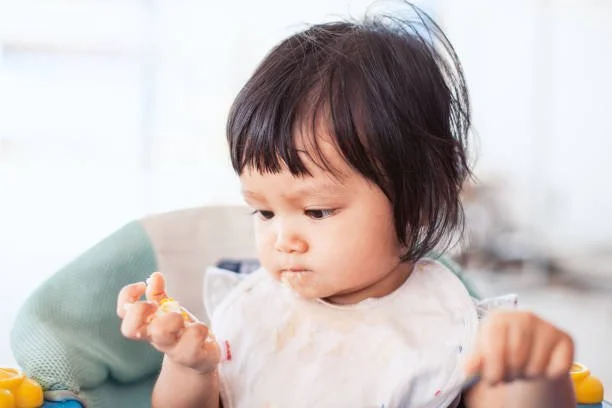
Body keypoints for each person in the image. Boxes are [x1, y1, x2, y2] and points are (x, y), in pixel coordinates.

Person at [116, 2, 576, 407]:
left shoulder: (449, 330)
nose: (283, 240)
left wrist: (528, 374)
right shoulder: (251, 311)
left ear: (418, 204)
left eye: (317, 212)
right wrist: (191, 368)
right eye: (265, 212)